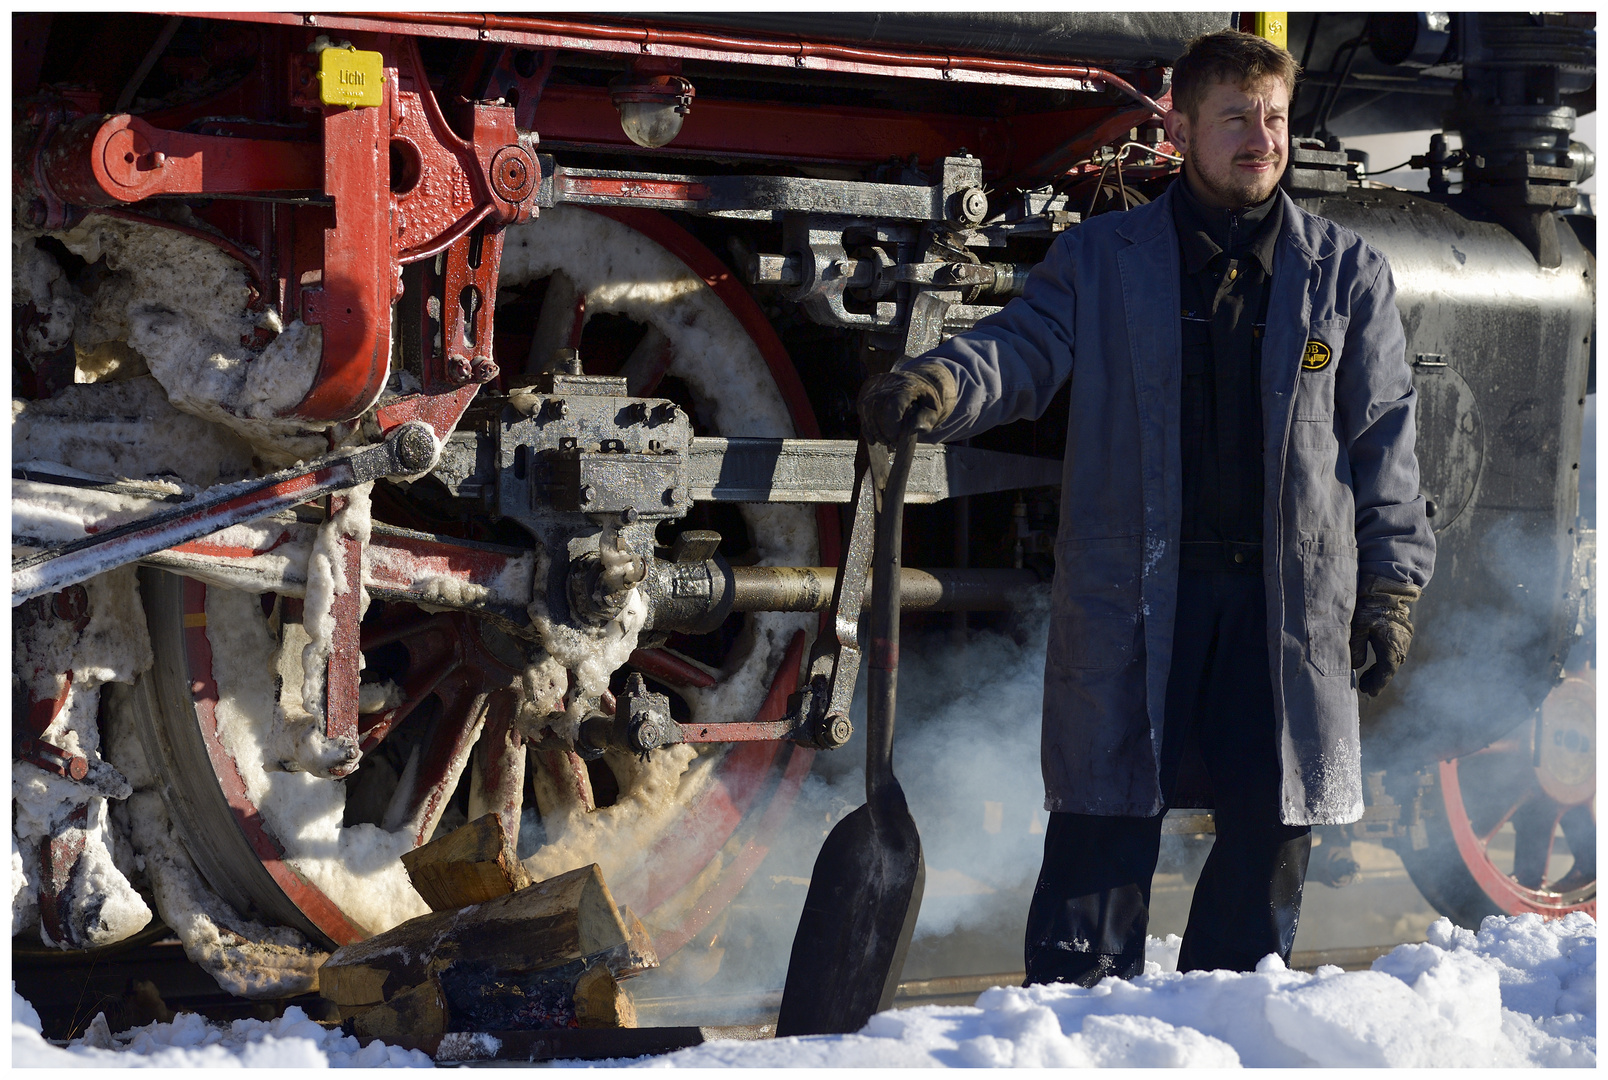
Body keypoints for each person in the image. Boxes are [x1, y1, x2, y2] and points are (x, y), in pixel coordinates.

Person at [858, 29, 1435, 985]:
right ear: (1178, 128)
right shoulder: (1102, 260)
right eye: (1236, 119)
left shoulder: (1345, 273)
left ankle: (1224, 1024)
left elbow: (1384, 444)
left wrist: (1390, 591)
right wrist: (940, 387)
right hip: (1138, 594)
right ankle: (1076, 1027)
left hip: (1282, 609)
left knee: (1272, 836)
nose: (1262, 139)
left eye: (1276, 118)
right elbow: (1023, 346)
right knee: (1100, 824)